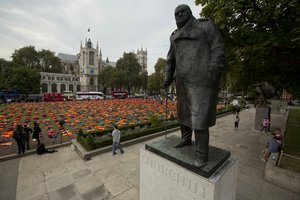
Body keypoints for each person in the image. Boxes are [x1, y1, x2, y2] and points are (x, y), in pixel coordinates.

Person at [164, 4, 226, 167]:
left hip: (202, 82)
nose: (179, 15)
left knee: (199, 119)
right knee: (183, 114)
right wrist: (167, 77)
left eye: (182, 12)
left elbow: (218, 49)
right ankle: (185, 139)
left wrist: (212, 74)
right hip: (182, 82)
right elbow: (170, 59)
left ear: (190, 13)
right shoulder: (174, 36)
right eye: (176, 13)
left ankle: (201, 154)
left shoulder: (206, 26)